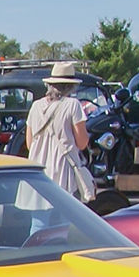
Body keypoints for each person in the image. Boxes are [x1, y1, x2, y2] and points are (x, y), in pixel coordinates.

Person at [22, 61, 95, 201]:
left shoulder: (36, 106)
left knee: (40, 220)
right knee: (63, 218)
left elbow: (30, 144)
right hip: (62, 169)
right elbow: (82, 143)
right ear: (71, 86)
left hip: (38, 170)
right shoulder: (73, 105)